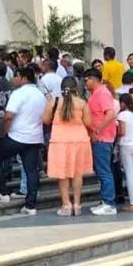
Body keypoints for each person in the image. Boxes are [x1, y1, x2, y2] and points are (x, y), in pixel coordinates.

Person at [0, 66, 45, 215]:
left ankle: (2, 192)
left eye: (16, 76)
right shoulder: (40, 95)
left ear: (23, 78)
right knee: (31, 170)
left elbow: (8, 116)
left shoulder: (19, 93)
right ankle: (31, 205)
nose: (14, 79)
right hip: (34, 137)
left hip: (16, 136)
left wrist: (3, 133)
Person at [44, 75, 90, 216]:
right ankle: (77, 204)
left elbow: (46, 120)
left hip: (60, 141)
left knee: (62, 174)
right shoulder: (82, 103)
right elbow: (88, 123)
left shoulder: (54, 102)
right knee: (77, 174)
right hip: (79, 140)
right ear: (76, 88)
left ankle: (66, 204)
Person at [83, 67, 117, 215]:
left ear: (93, 79)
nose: (85, 83)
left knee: (104, 171)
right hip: (98, 137)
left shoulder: (102, 93)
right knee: (101, 170)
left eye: (86, 80)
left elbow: (110, 113)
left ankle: (109, 203)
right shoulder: (94, 94)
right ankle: (105, 200)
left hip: (103, 138)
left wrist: (98, 129)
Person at [114, 92, 133, 211]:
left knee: (129, 174)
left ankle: (132, 203)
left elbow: (122, 132)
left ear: (123, 103)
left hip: (125, 144)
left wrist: (114, 133)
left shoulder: (122, 115)